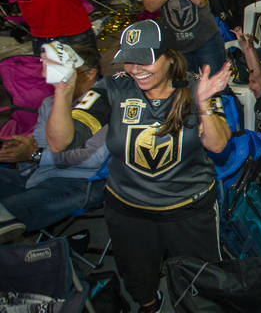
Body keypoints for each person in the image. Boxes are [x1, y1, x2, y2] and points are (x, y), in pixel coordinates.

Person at [44, 20, 232, 313]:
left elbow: (218, 145)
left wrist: (205, 103)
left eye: (145, 59)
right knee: (136, 276)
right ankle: (149, 303)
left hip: (188, 209)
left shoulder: (197, 86)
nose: (135, 68)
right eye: (128, 59)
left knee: (201, 281)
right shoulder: (114, 89)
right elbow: (60, 143)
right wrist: (63, 91)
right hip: (128, 208)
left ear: (170, 57)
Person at [0, 43, 105, 240]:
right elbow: (39, 142)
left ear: (90, 74)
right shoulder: (50, 103)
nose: (55, 76)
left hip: (80, 183)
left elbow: (91, 159)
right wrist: (21, 151)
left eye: (63, 69)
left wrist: (35, 155)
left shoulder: (104, 101)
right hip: (37, 174)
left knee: (7, 215)